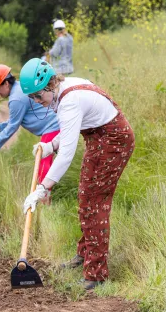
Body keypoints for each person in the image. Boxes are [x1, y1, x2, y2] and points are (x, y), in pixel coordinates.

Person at [19, 58, 135, 290]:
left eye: (38, 96)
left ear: (50, 86)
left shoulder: (69, 101)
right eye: (32, 98)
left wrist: (43, 188)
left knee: (94, 202)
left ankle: (96, 274)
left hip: (114, 141)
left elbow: (67, 155)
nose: (37, 102)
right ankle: (85, 254)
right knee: (85, 197)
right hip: (99, 138)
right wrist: (51, 146)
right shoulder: (65, 89)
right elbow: (72, 130)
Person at [0, 64, 60, 182]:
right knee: (47, 160)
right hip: (53, 125)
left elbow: (13, 126)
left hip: (51, 127)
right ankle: (45, 192)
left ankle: (44, 196)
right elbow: (17, 118)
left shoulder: (16, 99)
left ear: (6, 83)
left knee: (43, 161)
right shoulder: (20, 87)